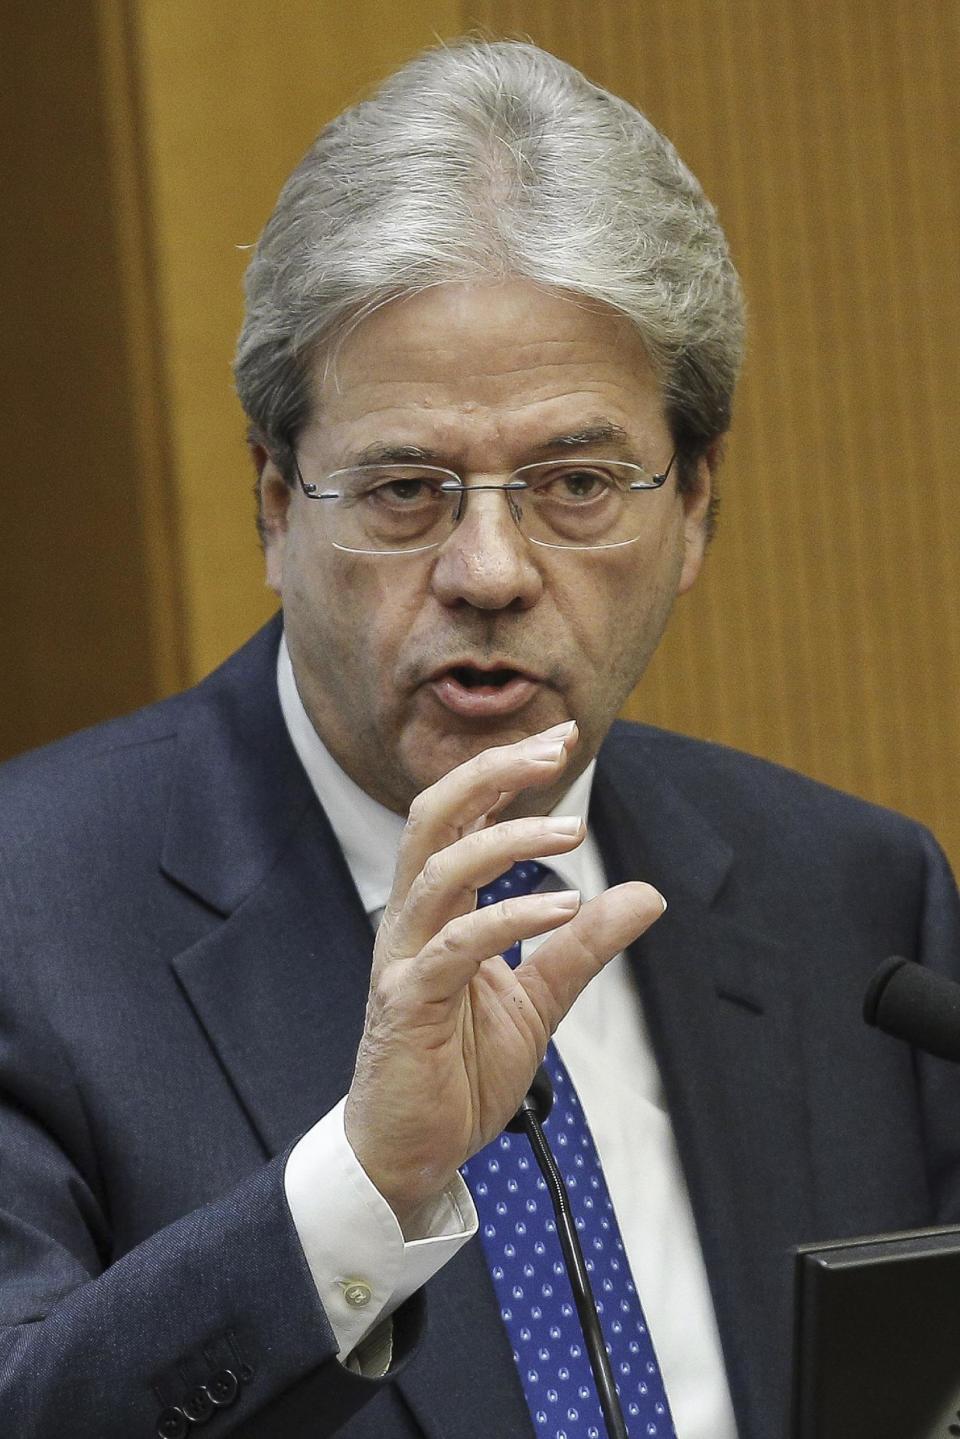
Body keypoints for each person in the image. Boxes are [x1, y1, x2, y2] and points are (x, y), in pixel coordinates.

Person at [1, 37, 958, 1439]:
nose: (490, 570)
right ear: (275, 502)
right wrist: (359, 1200)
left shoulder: (856, 902)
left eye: (577, 483)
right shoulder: (28, 913)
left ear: (695, 506)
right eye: (405, 488)